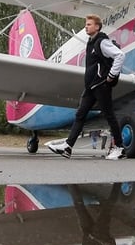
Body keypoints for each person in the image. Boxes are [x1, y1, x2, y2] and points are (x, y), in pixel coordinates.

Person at [46, 14, 127, 160]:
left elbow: (120, 55)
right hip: (91, 87)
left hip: (102, 85)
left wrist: (111, 76)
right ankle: (68, 147)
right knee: (80, 115)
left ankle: (119, 148)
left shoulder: (102, 42)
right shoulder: (91, 42)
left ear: (97, 26)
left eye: (89, 24)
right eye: (86, 24)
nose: (86, 26)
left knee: (109, 115)